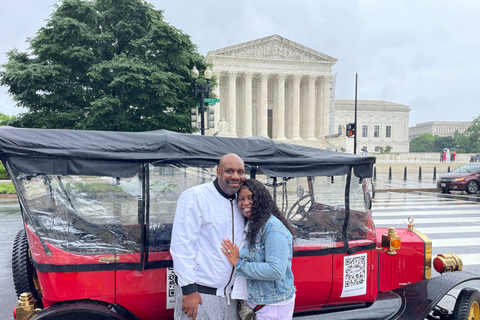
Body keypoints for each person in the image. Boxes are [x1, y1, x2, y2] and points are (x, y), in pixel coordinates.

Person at [170, 153, 246, 320]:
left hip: (231, 298)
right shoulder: (196, 197)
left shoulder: (242, 203)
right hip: (201, 294)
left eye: (240, 172)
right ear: (218, 172)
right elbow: (181, 246)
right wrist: (189, 290)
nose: (235, 176)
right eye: (229, 171)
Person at [221, 179, 296, 320]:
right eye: (241, 199)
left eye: (251, 198)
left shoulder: (273, 228)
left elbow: (276, 270)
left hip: (273, 304)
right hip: (256, 303)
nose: (245, 203)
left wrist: (238, 263)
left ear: (261, 199)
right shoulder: (251, 223)